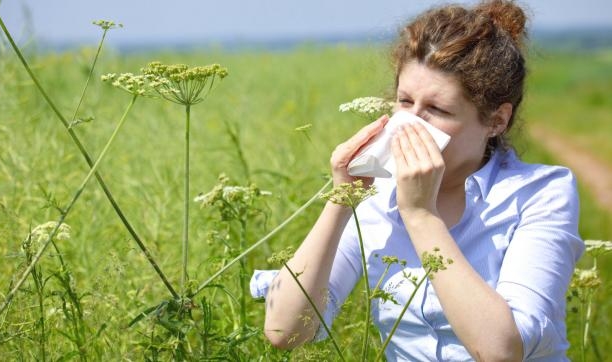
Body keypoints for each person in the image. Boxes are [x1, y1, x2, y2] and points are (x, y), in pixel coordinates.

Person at [250, 0, 584, 360]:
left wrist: (421, 215)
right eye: (405, 102)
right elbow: (286, 330)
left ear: (496, 120)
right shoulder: (377, 194)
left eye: (438, 110)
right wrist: (341, 198)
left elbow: (502, 351)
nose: (412, 123)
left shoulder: (540, 193)